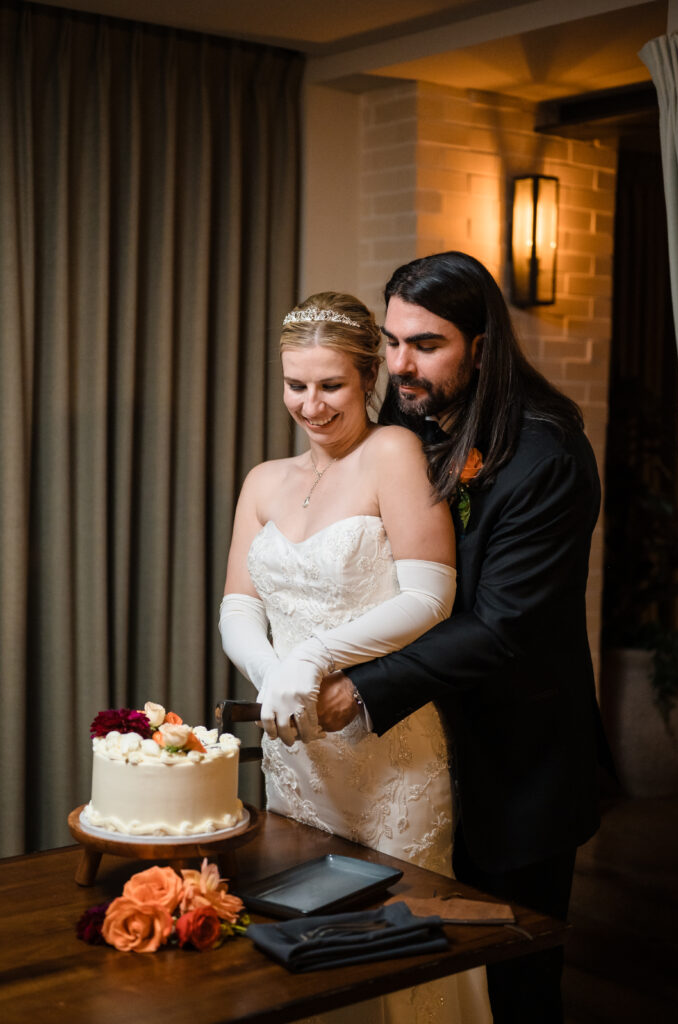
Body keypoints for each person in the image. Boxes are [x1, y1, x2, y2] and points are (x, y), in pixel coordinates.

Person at [306, 252, 608, 1024]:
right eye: (393, 341)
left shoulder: (547, 455)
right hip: (420, 759)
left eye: (426, 344)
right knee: (417, 978)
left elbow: (502, 626)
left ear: (481, 344)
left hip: (517, 765)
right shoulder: (408, 425)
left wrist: (364, 685)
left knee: (513, 981)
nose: (400, 366)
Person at [219, 291, 493, 1024]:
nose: (311, 405)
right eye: (295, 385)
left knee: (397, 946)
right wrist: (273, 672)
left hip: (388, 752)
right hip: (297, 757)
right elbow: (238, 607)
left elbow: (429, 595)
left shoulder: (393, 453)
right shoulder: (263, 480)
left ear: (368, 377)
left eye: (331, 385)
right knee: (307, 948)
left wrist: (308, 658)